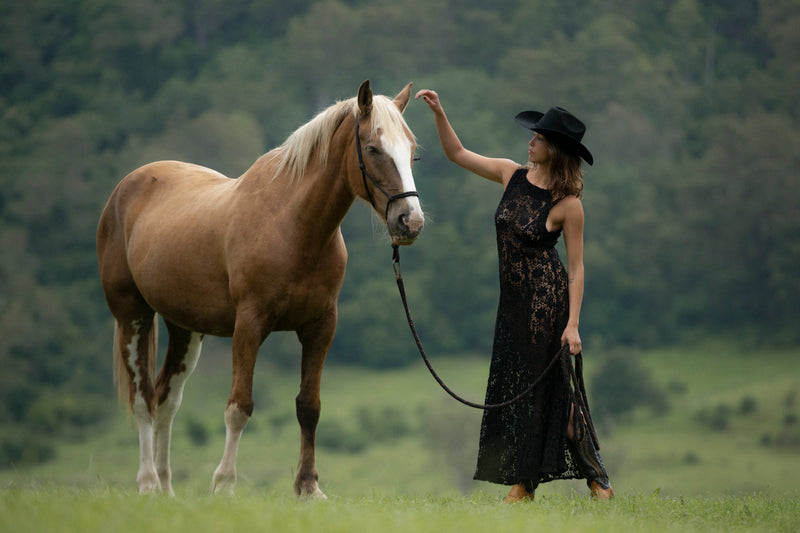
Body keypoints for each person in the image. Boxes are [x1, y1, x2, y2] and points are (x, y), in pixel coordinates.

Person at [415, 89, 613, 502]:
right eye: (533, 135)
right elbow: (458, 153)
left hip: (548, 303)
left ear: (554, 150)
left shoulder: (569, 205)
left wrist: (573, 324)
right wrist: (439, 112)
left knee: (545, 391)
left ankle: (528, 485)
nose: (531, 141)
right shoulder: (511, 174)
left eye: (539, 138)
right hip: (514, 305)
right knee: (526, 390)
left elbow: (575, 269)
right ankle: (592, 479)